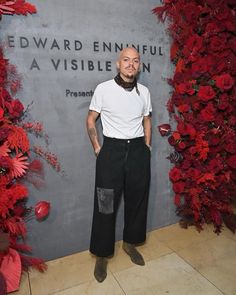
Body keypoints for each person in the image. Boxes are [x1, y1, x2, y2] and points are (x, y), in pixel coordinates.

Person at [86, 47, 152, 283]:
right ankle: (102, 255)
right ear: (118, 63)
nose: (131, 64)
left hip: (137, 152)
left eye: (135, 61)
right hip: (111, 151)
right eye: (126, 60)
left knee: (137, 200)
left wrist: (146, 146)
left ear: (138, 65)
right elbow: (91, 118)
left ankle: (130, 243)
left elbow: (147, 119)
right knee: (105, 204)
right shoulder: (103, 89)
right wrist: (97, 147)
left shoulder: (144, 91)